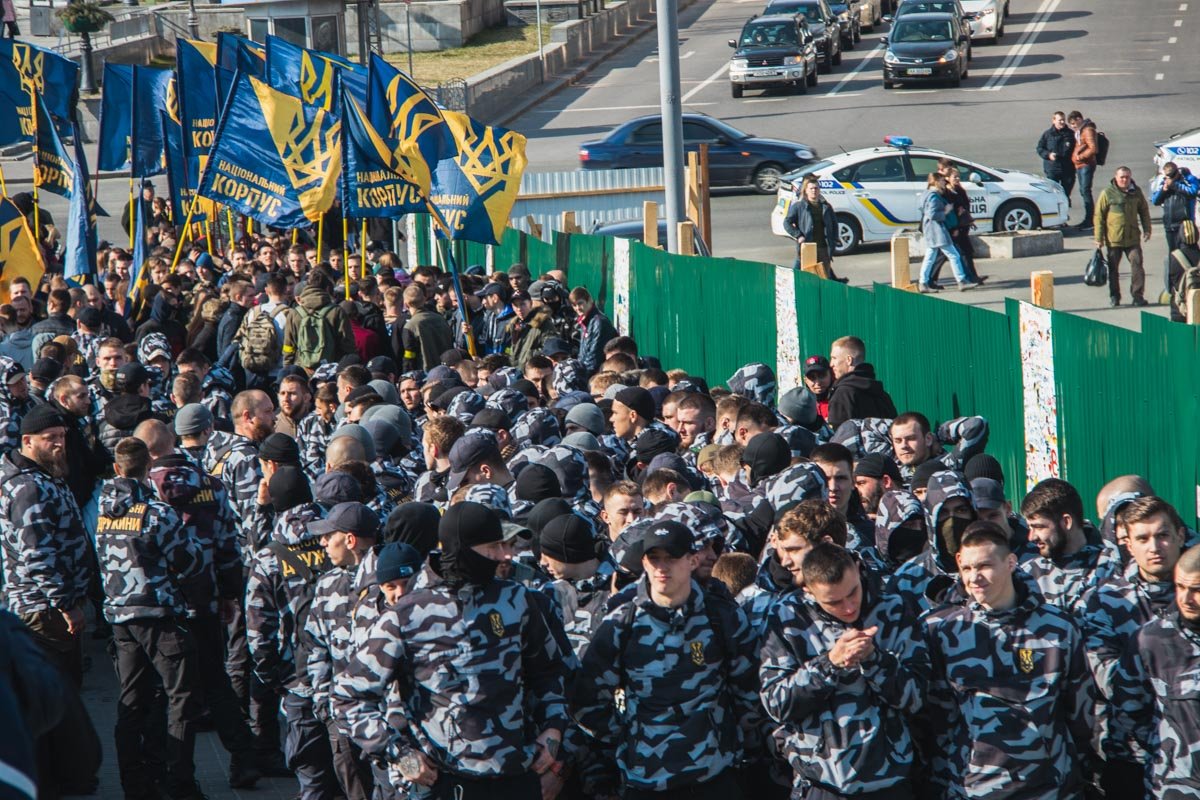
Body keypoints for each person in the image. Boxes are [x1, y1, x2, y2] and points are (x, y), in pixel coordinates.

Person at [335, 502, 571, 800]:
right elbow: (347, 699)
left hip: (516, 777)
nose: (505, 555)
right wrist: (400, 755)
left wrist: (553, 731)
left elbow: (550, 671)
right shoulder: (407, 613)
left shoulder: (517, 599)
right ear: (463, 550)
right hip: (445, 783)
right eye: (493, 547)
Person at [572, 520, 759, 800]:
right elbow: (587, 700)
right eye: (654, 559)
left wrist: (728, 738)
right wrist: (628, 736)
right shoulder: (622, 623)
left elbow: (748, 690)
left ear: (693, 560)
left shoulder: (721, 616)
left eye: (671, 558)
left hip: (713, 774)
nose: (662, 567)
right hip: (647, 779)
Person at [923, 521, 1097, 800]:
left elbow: (1080, 712)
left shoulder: (1058, 628)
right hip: (973, 788)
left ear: (1011, 562)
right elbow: (936, 715)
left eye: (984, 566)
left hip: (1049, 787)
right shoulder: (941, 630)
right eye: (967, 569)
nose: (975, 577)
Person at [760, 543, 926, 800]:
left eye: (853, 593)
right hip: (822, 783)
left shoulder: (892, 609)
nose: (849, 608)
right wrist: (829, 664)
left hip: (889, 779)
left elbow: (915, 698)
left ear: (858, 571)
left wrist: (874, 659)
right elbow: (777, 704)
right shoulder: (786, 618)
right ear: (809, 590)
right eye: (834, 602)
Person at [96, 437, 207, 800]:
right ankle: (180, 783)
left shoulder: (99, 513)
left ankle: (134, 784)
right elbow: (191, 562)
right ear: (147, 470)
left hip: (121, 619)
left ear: (117, 468)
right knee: (182, 700)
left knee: (132, 702)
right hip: (159, 617)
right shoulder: (156, 513)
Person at [1080, 495, 1186, 796]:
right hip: (1133, 756)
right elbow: (1112, 683)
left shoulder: (1194, 594)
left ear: (1180, 535)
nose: (1154, 547)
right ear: (1128, 544)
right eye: (1143, 538)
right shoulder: (1106, 601)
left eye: (1162, 535)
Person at [0, 405, 92, 685]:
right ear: (27, 441)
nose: (58, 444)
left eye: (62, 436)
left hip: (51, 606)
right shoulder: (28, 488)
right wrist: (66, 606)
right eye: (50, 437)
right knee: (57, 698)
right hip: (42, 609)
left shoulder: (44, 476)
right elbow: (38, 555)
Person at [1108, 545, 1200, 799]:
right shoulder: (1152, 640)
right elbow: (1129, 710)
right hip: (1177, 786)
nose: (1186, 599)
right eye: (1180, 587)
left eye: (1197, 590)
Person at [1094, 165, 1152, 307]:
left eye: (1127, 177)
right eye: (1122, 177)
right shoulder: (1107, 193)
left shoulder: (1136, 192)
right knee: (1113, 270)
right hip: (1114, 239)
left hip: (1132, 238)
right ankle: (1115, 296)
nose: (1125, 180)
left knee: (1137, 265)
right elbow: (1099, 216)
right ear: (1116, 177)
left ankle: (1138, 296)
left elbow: (1144, 211)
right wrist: (1098, 238)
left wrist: (1147, 229)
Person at [917, 173, 979, 293]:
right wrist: (946, 211)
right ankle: (961, 281)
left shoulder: (927, 194)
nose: (944, 183)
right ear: (935, 182)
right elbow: (932, 214)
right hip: (937, 231)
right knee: (954, 255)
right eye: (941, 181)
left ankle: (923, 283)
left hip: (931, 230)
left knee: (930, 257)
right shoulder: (933, 196)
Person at [783, 176, 848, 282]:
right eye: (811, 189)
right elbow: (787, 222)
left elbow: (834, 224)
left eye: (816, 188)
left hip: (824, 248)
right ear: (806, 191)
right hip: (808, 248)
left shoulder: (826, 207)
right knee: (807, 278)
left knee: (824, 278)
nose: (814, 191)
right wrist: (798, 235)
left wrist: (835, 239)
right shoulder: (799, 207)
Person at [825, 336, 896, 429]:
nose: (831, 364)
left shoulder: (843, 394)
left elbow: (838, 437)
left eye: (834, 358)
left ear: (849, 360)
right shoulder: (881, 394)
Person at [571, 287, 618, 373]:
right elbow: (583, 354)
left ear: (589, 300)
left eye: (580, 303)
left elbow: (595, 357)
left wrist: (581, 375)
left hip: (599, 374)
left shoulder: (599, 322)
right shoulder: (585, 321)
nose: (577, 308)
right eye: (574, 305)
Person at [1036, 110, 1077, 201]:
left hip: (1068, 169)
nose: (1062, 122)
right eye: (1060, 120)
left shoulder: (1070, 134)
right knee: (1053, 195)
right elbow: (1040, 148)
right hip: (1052, 169)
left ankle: (1065, 214)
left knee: (1065, 196)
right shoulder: (1047, 134)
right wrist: (1048, 155)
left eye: (1063, 120)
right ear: (1053, 121)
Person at [1068, 110, 1099, 230]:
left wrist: (1080, 157)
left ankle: (1090, 220)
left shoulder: (1087, 130)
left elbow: (1093, 149)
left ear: (1079, 119)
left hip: (1086, 164)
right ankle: (1089, 218)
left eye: (1073, 123)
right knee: (1083, 191)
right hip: (1081, 165)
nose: (1073, 126)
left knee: (1085, 191)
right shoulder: (1080, 130)